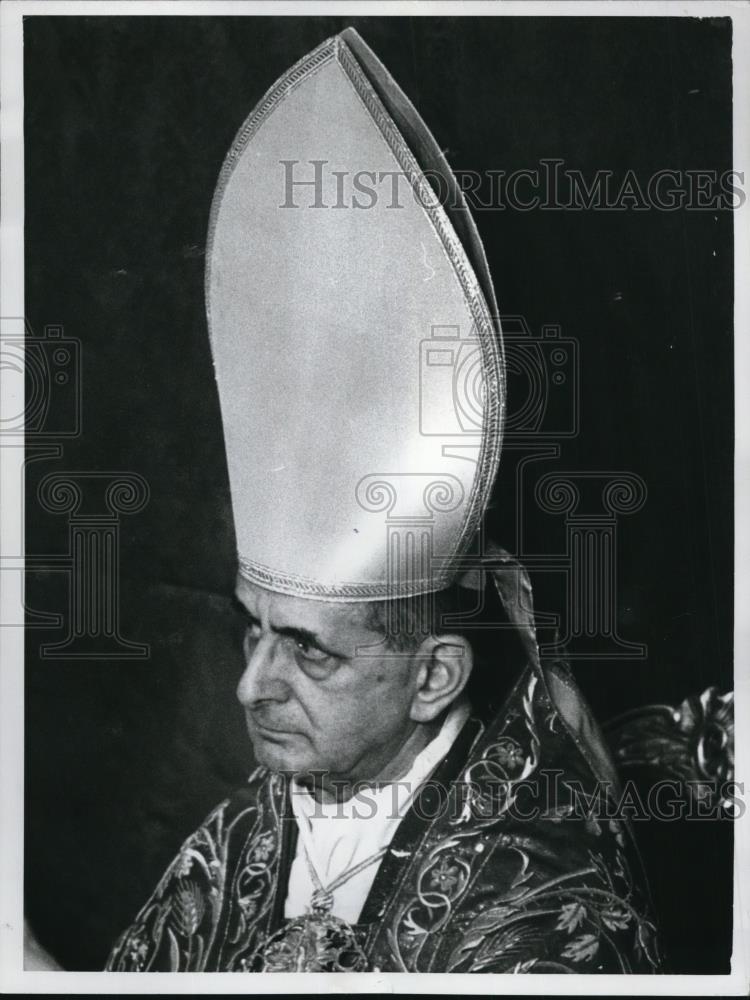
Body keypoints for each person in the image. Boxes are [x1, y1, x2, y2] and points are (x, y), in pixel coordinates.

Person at [106, 27, 660, 974]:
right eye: (254, 632)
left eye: (309, 650)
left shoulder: (544, 911)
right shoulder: (240, 840)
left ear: (434, 676)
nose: (251, 685)